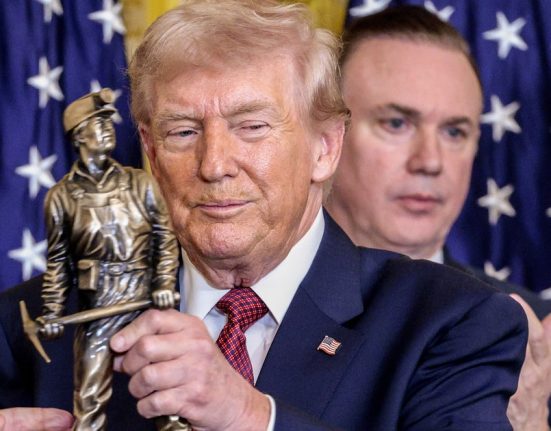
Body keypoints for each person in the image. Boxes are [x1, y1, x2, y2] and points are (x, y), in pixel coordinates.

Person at [0, 1, 528, 430]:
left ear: (325, 147)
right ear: (152, 154)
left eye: (251, 127)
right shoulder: (32, 331)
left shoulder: (449, 321)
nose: (214, 165)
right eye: (183, 131)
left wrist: (251, 417)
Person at [323, 5, 551, 430]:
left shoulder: (536, 341)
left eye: (454, 132)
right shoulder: (256, 306)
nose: (430, 161)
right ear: (325, 137)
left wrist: (534, 421)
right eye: (396, 123)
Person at [12, 88, 180, 431]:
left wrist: (164, 284)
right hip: (97, 306)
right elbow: (59, 263)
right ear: (78, 137)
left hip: (144, 300)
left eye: (108, 123)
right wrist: (53, 313)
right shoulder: (62, 197)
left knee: (169, 397)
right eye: (97, 124)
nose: (107, 129)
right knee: (89, 401)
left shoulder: (140, 183)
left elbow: (164, 239)